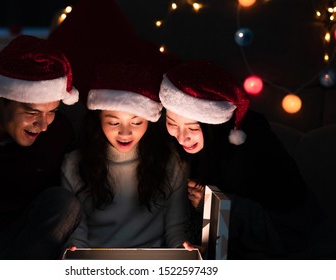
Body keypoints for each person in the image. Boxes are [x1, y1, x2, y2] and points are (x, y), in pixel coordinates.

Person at [158, 59, 323, 259]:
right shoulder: (172, 148)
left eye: (193, 128)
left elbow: (293, 231)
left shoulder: (255, 148)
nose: (182, 136)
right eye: (171, 123)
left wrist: (217, 207)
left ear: (213, 124)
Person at [0, 35, 82, 259]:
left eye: (52, 112)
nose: (43, 125)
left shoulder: (57, 134)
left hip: (6, 247)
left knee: (63, 203)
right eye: (32, 112)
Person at [61, 62, 192, 249]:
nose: (125, 133)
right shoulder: (74, 163)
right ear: (99, 118)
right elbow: (76, 235)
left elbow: (176, 230)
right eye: (114, 123)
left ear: (149, 119)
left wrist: (184, 251)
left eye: (137, 123)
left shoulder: (172, 161)